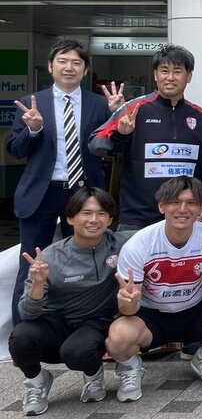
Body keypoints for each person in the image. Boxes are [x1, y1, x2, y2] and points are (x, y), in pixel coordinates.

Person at [106, 177, 202, 402]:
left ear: (201, 207)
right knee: (117, 337)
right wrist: (127, 301)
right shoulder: (140, 244)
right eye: (175, 202)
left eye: (191, 203)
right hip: (150, 316)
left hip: (194, 310)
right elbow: (128, 309)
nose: (183, 209)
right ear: (162, 206)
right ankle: (130, 368)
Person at [7, 39, 115, 323]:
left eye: (76, 62)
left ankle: (79, 323)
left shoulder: (99, 105)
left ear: (85, 69)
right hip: (40, 195)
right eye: (63, 61)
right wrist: (33, 129)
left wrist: (117, 117)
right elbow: (15, 150)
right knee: (32, 263)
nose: (69, 67)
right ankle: (24, 332)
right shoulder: (32, 103)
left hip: (84, 194)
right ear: (51, 66)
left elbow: (113, 147)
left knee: (87, 262)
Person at [11, 188, 132, 414]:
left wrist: (200, 220)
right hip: (56, 322)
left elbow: (161, 233)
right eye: (86, 213)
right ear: (70, 218)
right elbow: (27, 314)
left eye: (101, 213)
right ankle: (37, 381)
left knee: (78, 352)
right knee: (21, 337)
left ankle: (93, 374)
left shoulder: (121, 243)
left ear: (110, 219)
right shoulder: (51, 256)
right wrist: (38, 283)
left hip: (95, 324)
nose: (94, 220)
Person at [88, 45, 202, 230]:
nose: (170, 77)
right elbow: (95, 144)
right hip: (137, 220)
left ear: (189, 76)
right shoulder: (134, 109)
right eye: (164, 71)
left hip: (183, 217)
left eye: (177, 72)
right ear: (155, 74)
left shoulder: (199, 116)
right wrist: (121, 134)